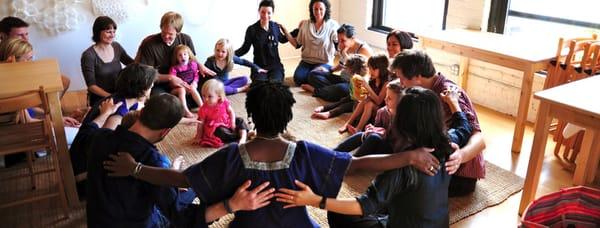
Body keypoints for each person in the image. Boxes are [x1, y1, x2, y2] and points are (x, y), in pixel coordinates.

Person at [104, 82, 353, 227]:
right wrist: (393, 156)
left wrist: (136, 169)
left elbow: (183, 179)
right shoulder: (304, 152)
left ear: (251, 116)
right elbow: (358, 164)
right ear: (288, 117)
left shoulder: (233, 155)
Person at [275, 87, 473, 227]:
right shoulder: (448, 145)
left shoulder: (405, 165)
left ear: (402, 121)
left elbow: (364, 205)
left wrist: (315, 200)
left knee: (338, 212)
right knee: (391, 202)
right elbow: (464, 127)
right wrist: (453, 102)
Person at [85, 93, 273, 227]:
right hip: (140, 222)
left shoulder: (100, 136)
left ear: (141, 113)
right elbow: (182, 218)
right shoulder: (153, 161)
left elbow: (89, 130)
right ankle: (185, 181)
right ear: (166, 131)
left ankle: (182, 180)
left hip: (98, 221)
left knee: (182, 183)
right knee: (186, 198)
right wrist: (232, 205)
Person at [391, 49, 486, 197]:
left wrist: (460, 155)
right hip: (439, 151)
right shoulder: (425, 91)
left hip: (458, 172)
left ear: (417, 77)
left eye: (402, 79)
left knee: (404, 186)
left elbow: (479, 140)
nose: (401, 84)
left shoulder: (450, 94)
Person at [69, 63, 155, 197]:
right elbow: (101, 148)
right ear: (141, 88)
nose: (152, 87)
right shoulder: (117, 113)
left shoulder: (128, 101)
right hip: (85, 176)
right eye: (150, 85)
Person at [0, 38, 79, 167]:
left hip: (11, 134)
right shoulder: (14, 88)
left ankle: (39, 152)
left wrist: (58, 118)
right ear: (11, 60)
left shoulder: (7, 81)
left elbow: (26, 110)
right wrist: (55, 123)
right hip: (18, 137)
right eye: (28, 59)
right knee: (80, 136)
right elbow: (29, 122)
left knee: (73, 138)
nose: (32, 63)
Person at [135, 11, 215, 97]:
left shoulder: (186, 39)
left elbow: (192, 59)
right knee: (160, 101)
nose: (166, 36)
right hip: (161, 83)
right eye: (164, 32)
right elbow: (146, 75)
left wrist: (200, 65)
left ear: (178, 33)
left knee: (212, 82)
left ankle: (183, 99)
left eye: (170, 34)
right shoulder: (149, 44)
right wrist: (170, 77)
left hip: (186, 78)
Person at [0, 16, 71, 97]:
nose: (25, 38)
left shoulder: (25, 49)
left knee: (64, 81)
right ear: (3, 36)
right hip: (14, 86)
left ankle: (45, 108)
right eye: (20, 35)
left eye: (26, 34)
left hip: (29, 78)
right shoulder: (6, 53)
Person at [301, 24, 373, 101]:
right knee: (314, 74)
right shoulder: (346, 46)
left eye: (343, 40)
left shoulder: (364, 50)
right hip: (343, 78)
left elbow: (362, 75)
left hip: (354, 84)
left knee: (340, 88)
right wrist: (329, 70)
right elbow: (341, 64)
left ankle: (317, 91)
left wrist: (345, 55)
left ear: (352, 39)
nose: (340, 44)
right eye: (338, 41)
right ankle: (331, 91)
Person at [334, 79, 403, 157]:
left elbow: (399, 143)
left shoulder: (403, 118)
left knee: (373, 137)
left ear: (401, 101)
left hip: (391, 151)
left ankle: (352, 161)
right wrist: (372, 129)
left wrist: (384, 134)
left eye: (389, 98)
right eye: (386, 96)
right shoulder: (382, 112)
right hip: (377, 142)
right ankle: (333, 153)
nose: (385, 99)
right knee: (362, 134)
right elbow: (376, 128)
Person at [81, 16, 134, 106]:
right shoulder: (88, 55)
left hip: (119, 93)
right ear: (98, 32)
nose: (112, 35)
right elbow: (91, 86)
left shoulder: (116, 46)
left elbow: (132, 64)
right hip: (101, 97)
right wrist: (111, 96)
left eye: (114, 32)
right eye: (108, 32)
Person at [285, 0, 339, 86]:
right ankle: (314, 77)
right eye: (315, 9)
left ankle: (315, 77)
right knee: (298, 79)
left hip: (324, 62)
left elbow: (338, 46)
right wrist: (285, 31)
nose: (318, 12)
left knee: (313, 76)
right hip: (307, 61)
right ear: (311, 10)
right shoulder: (305, 24)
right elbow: (297, 44)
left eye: (321, 9)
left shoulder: (333, 25)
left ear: (326, 9)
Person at [235, 0, 288, 83]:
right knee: (261, 86)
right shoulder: (251, 29)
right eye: (263, 12)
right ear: (258, 11)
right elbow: (244, 49)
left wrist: (298, 31)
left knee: (275, 84)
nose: (265, 16)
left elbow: (283, 39)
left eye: (269, 13)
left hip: (275, 66)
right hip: (259, 66)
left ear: (272, 13)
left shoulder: (275, 26)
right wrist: (230, 54)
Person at [338, 54, 390, 134]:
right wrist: (360, 90)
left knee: (369, 103)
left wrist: (367, 87)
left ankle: (358, 128)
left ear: (382, 69)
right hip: (372, 105)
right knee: (365, 100)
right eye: (370, 68)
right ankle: (348, 123)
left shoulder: (386, 82)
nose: (370, 71)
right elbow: (368, 95)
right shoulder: (373, 79)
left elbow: (379, 101)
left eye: (373, 69)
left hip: (381, 110)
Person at [193, 79, 248, 148]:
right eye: (204, 96)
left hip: (227, 122)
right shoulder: (204, 109)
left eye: (210, 96)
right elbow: (201, 123)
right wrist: (198, 136)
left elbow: (231, 112)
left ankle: (243, 137)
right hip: (215, 127)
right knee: (220, 132)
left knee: (240, 120)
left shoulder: (224, 102)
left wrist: (233, 122)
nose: (206, 99)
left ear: (219, 96)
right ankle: (239, 135)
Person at [311, 54, 367, 120]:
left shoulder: (359, 81)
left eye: (347, 67)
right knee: (343, 100)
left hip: (360, 103)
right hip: (351, 94)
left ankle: (329, 113)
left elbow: (359, 101)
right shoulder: (353, 78)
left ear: (352, 69)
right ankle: (325, 107)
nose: (345, 68)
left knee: (346, 104)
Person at [169, 44, 203, 117]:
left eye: (185, 54)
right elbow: (172, 81)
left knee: (193, 88)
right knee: (181, 90)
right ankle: (185, 111)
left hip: (189, 87)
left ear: (189, 55)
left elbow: (196, 75)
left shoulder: (193, 64)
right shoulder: (174, 68)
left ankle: (202, 107)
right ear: (176, 58)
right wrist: (182, 85)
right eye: (180, 55)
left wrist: (194, 83)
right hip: (177, 89)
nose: (183, 57)